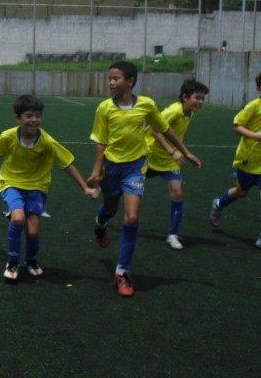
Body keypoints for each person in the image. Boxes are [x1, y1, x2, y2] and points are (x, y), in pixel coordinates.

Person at [87, 60, 201, 297]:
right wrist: (97, 171)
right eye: (109, 78)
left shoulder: (147, 105)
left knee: (131, 218)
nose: (110, 83)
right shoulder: (104, 108)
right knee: (110, 207)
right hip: (112, 168)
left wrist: (186, 152)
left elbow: (166, 129)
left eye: (115, 78)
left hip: (135, 168)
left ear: (130, 82)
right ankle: (100, 224)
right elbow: (101, 142)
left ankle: (122, 272)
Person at [0, 95, 99, 281]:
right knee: (18, 218)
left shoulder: (47, 142)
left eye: (37, 116)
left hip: (37, 186)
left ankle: (31, 261)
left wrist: (85, 188)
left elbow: (67, 164)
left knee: (33, 231)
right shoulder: (7, 136)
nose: (34, 120)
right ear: (18, 118)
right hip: (10, 182)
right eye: (29, 116)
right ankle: (12, 262)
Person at [145, 79, 209, 250]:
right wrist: (171, 150)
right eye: (197, 98)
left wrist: (185, 153)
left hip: (168, 161)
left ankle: (172, 235)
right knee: (123, 190)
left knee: (178, 193)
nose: (200, 102)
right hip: (149, 155)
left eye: (203, 99)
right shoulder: (175, 110)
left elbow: (176, 135)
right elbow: (153, 128)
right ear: (184, 97)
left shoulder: (189, 113)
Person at [209, 71, 261, 248]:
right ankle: (219, 203)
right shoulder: (254, 106)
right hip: (248, 160)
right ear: (259, 88)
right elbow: (236, 125)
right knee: (242, 191)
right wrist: (255, 136)